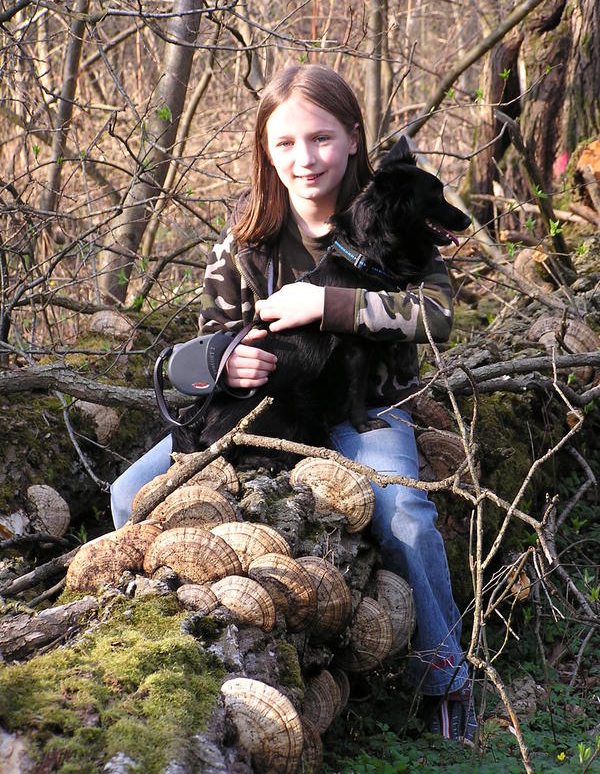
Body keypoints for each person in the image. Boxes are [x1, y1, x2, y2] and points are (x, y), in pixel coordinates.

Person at [110, 63, 476, 742]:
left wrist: (327, 303)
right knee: (130, 493)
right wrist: (225, 360)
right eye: (285, 143)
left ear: (354, 139)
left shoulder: (397, 209)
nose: (304, 159)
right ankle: (160, 654)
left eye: (321, 139)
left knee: (404, 514)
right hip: (269, 414)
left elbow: (440, 315)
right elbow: (206, 347)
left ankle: (446, 676)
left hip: (363, 413)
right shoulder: (247, 239)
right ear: (265, 149)